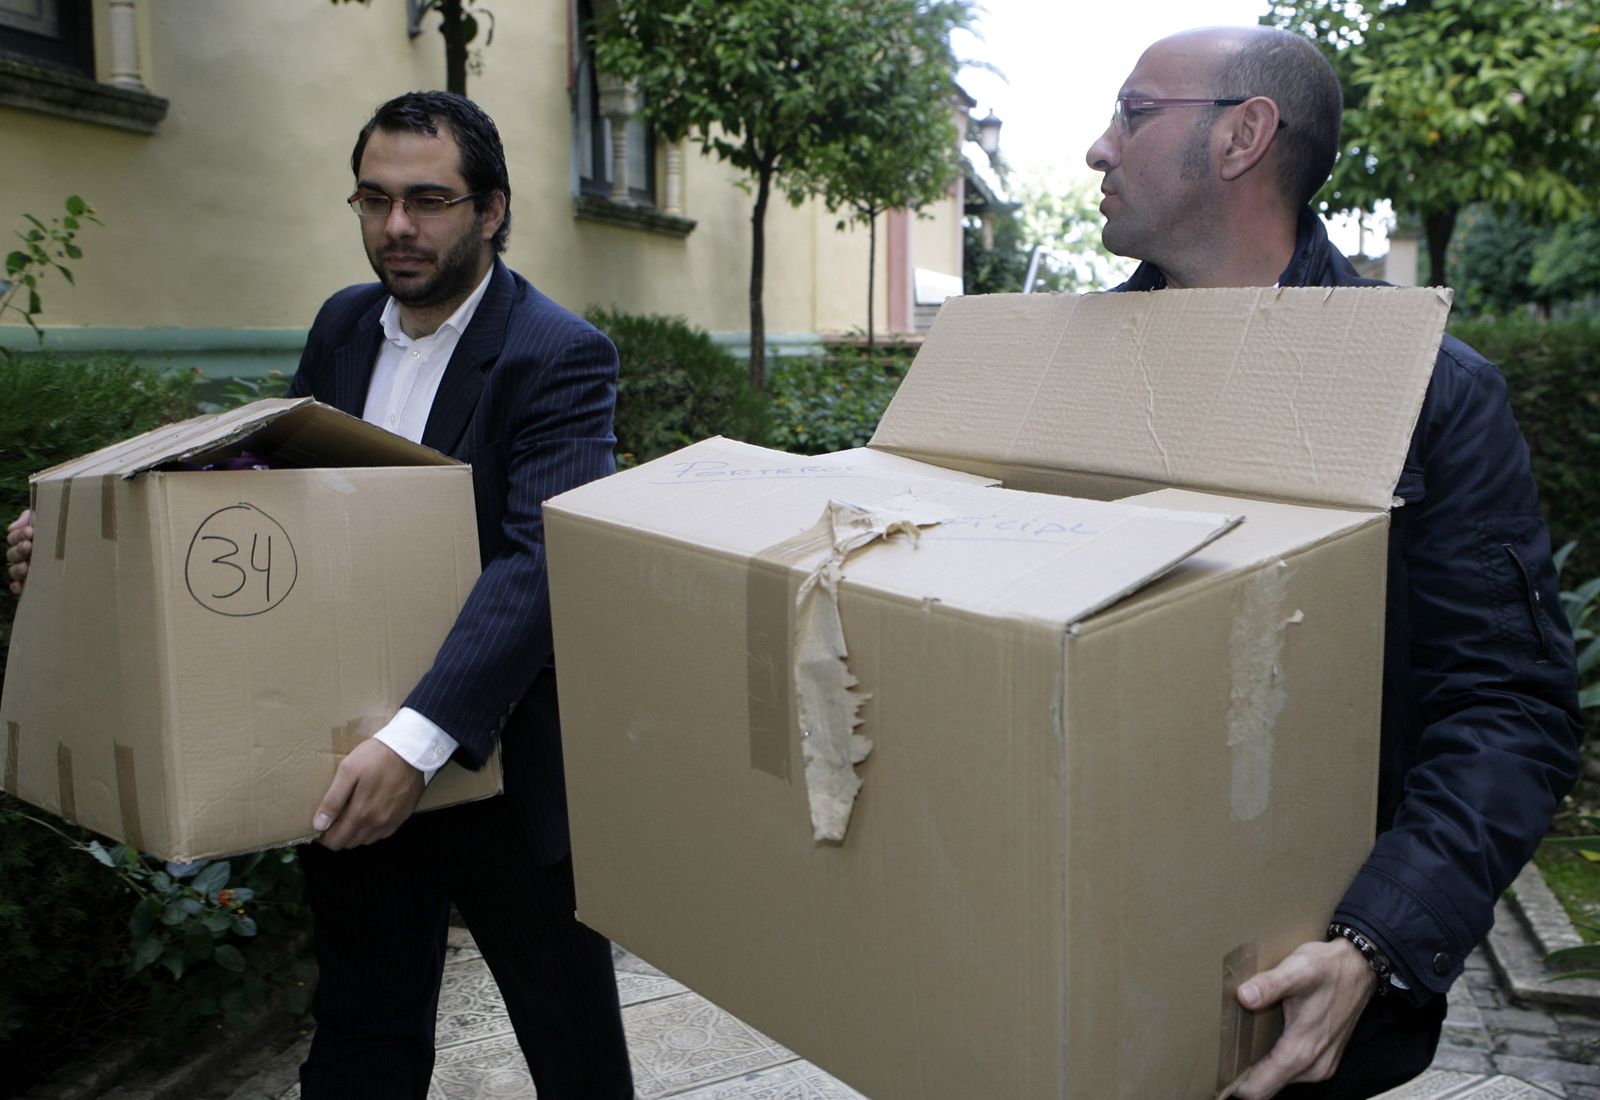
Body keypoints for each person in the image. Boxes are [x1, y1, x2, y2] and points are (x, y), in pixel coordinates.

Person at [9, 91, 635, 1100]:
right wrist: (93, 557)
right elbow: (266, 489)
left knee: (571, 1043)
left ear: (491, 210)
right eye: (374, 199)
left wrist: (417, 737)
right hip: (342, 741)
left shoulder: (557, 352)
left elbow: (538, 558)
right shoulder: (344, 325)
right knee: (360, 1032)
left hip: (498, 753)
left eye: (428, 199)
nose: (396, 227)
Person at [1085, 25, 1583, 1100]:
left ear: (1242, 136)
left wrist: (1372, 941)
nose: (1098, 148)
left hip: (1282, 1003)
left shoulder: (1430, 396)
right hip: (1065, 968)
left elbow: (1510, 708)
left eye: (1132, 113)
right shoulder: (1051, 379)